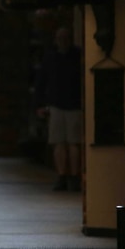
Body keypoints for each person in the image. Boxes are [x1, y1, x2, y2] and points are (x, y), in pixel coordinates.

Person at [34, 26, 83, 191]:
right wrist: (40, 104)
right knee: (60, 143)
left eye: (65, 38)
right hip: (58, 104)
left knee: (73, 142)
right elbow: (42, 81)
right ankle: (63, 175)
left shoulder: (76, 56)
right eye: (60, 38)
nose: (62, 41)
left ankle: (73, 175)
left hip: (73, 104)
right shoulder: (52, 57)